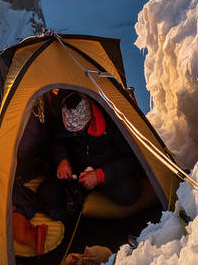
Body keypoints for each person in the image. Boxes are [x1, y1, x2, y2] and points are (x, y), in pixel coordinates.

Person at [35, 92, 143, 221]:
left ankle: (83, 194)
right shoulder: (61, 115)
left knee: (130, 192)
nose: (74, 134)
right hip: (77, 169)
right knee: (45, 192)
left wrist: (100, 175)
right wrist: (62, 159)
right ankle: (76, 197)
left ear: (89, 119)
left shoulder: (112, 122)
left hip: (105, 170)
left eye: (78, 130)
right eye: (70, 131)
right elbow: (58, 141)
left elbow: (131, 159)